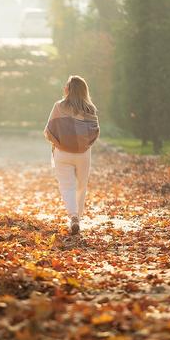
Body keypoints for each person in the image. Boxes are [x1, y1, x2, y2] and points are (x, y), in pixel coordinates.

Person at [44, 75, 100, 234]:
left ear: (68, 89)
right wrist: (84, 144)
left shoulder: (59, 106)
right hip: (83, 153)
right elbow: (95, 131)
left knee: (67, 185)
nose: (64, 88)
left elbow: (49, 130)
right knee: (81, 186)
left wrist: (58, 142)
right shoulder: (90, 109)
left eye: (66, 86)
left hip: (62, 153)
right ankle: (78, 218)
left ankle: (73, 216)